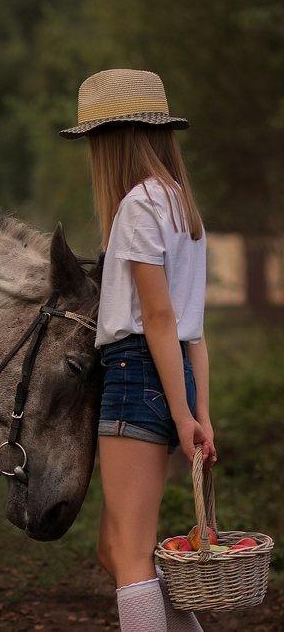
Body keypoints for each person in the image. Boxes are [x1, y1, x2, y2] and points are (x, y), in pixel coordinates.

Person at [60, 68, 218, 631]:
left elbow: (156, 318)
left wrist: (181, 415)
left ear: (113, 140)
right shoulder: (183, 207)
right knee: (116, 549)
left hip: (136, 376)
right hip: (174, 374)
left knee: (129, 557)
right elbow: (191, 330)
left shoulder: (136, 205)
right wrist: (198, 411)